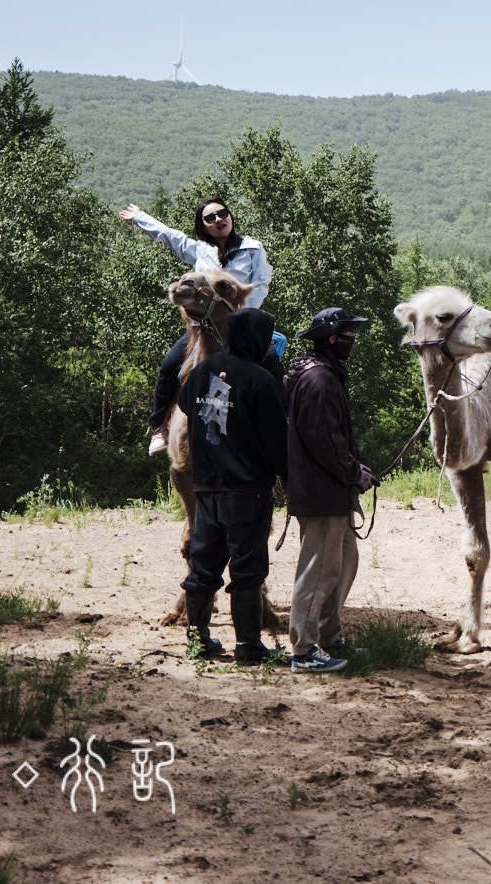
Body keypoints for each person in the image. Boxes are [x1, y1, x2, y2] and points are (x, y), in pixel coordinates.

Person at [120, 197, 276, 455]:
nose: (219, 219)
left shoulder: (253, 249)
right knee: (169, 366)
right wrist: (139, 217)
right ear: (204, 226)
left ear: (230, 216)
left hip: (243, 328)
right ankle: (159, 426)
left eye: (222, 213)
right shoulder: (200, 250)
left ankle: (284, 419)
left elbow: (260, 285)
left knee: (271, 361)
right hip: (203, 328)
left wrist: (241, 316)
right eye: (210, 218)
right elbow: (171, 236)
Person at [179, 306, 289, 665]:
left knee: (204, 565)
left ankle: (198, 640)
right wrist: (288, 477)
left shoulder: (201, 372)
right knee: (247, 567)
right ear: (256, 338)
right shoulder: (260, 379)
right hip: (246, 489)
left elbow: (183, 403)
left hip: (205, 486)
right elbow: (276, 438)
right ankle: (248, 646)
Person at [286, 307, 377, 675]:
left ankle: (328, 635)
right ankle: (304, 650)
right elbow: (325, 442)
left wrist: (354, 472)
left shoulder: (322, 375)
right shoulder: (320, 381)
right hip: (321, 492)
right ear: (330, 339)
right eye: (346, 335)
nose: (351, 341)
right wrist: (354, 472)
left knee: (342, 563)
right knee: (319, 569)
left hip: (330, 490)